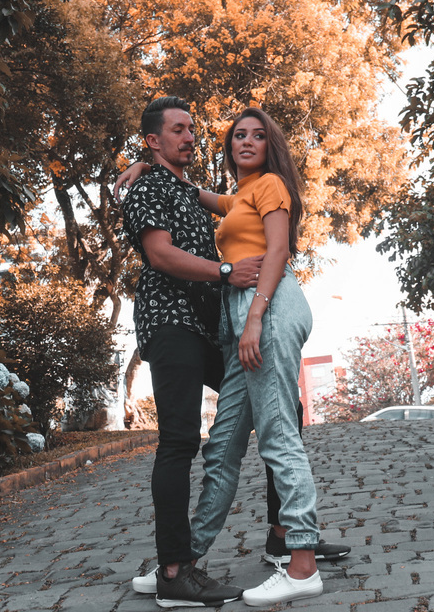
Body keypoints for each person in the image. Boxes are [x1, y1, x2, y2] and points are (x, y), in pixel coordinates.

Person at [185, 107, 328, 606]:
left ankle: (303, 564)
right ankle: (182, 563)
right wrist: (146, 166)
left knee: (277, 435)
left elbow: (278, 251)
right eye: (238, 135)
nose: (246, 141)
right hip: (241, 319)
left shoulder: (270, 185)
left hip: (268, 308)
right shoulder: (240, 196)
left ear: (270, 146)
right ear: (230, 146)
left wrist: (255, 319)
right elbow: (196, 193)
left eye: (258, 135)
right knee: (222, 446)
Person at [120, 96, 259, 608]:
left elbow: (236, 201)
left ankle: (285, 539)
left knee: (280, 409)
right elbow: (160, 254)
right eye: (177, 129)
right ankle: (175, 573)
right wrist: (226, 271)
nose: (190, 136)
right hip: (169, 322)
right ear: (154, 139)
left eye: (192, 129)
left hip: (208, 328)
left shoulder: (183, 188)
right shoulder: (148, 188)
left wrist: (145, 162)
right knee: (179, 441)